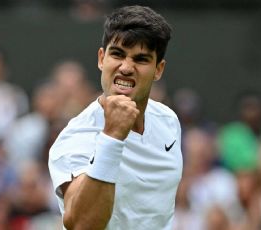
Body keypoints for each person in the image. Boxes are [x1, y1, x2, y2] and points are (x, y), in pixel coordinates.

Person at [48, 5, 183, 230]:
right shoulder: (75, 138)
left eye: (141, 59)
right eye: (117, 54)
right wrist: (112, 137)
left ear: (158, 69)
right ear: (102, 59)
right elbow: (82, 224)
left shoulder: (168, 121)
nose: (126, 68)